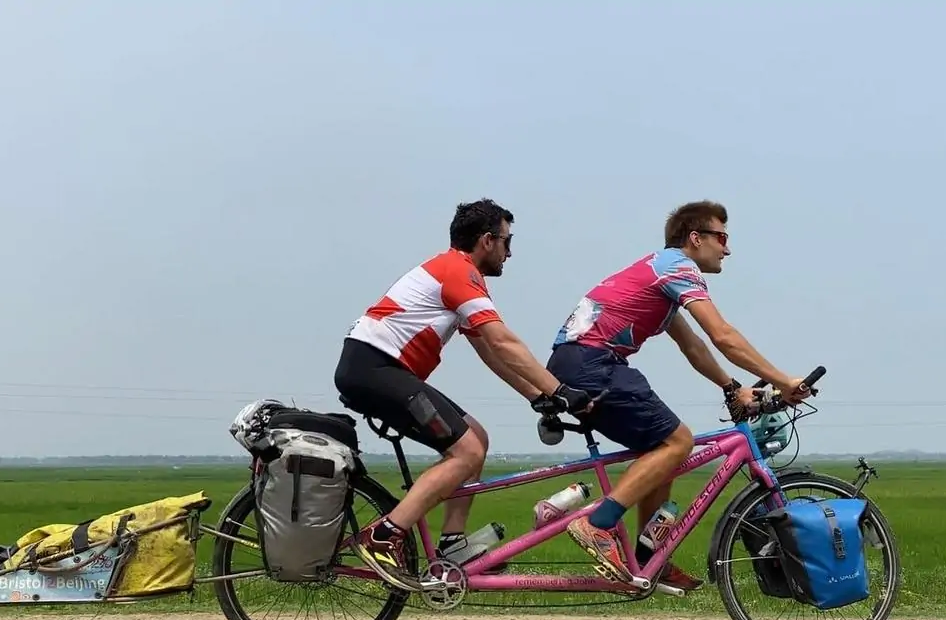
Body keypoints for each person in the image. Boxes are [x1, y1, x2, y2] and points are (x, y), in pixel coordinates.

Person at [546, 200, 812, 590]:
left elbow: (693, 346)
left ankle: (648, 556)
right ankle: (597, 525)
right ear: (695, 238)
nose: (727, 249)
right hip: (592, 363)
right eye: (722, 238)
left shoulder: (660, 272)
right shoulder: (678, 268)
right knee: (678, 441)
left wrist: (732, 388)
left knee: (662, 449)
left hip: (579, 363)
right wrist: (784, 380)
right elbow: (722, 335)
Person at [334, 198, 592, 591]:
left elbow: (489, 351)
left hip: (381, 368)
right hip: (375, 368)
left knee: (477, 438)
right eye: (507, 241)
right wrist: (559, 389)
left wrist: (536, 396)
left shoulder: (455, 272)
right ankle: (384, 535)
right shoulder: (458, 271)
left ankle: (452, 546)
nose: (510, 252)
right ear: (487, 240)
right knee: (466, 450)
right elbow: (502, 341)